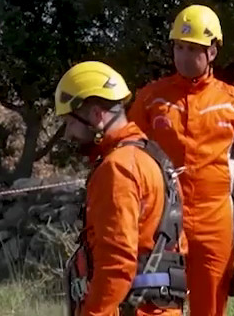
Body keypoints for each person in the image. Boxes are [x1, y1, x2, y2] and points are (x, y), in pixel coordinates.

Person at [127, 5, 234, 316]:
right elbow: (125, 154)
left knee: (211, 308)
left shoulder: (232, 101)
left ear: (213, 52)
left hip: (214, 221)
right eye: (179, 47)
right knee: (154, 306)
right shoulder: (151, 98)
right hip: (162, 221)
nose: (182, 56)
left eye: (193, 49)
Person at [55, 61, 187, 316]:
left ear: (95, 115)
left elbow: (116, 264)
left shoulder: (117, 168)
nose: (67, 134)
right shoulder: (149, 157)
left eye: (69, 123)